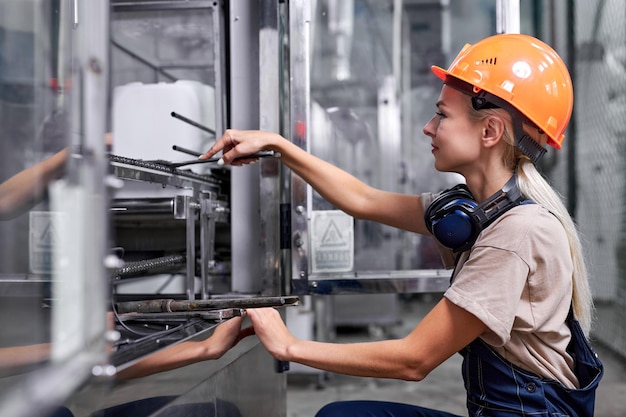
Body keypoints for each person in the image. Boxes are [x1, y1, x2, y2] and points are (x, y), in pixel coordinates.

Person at [201, 33, 604, 417]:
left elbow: (415, 359)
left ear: (490, 130)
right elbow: (363, 200)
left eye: (442, 115)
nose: (428, 127)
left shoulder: (516, 233)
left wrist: (289, 347)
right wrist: (280, 146)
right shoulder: (473, 210)